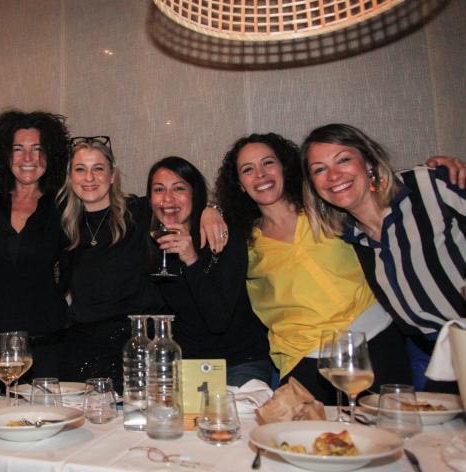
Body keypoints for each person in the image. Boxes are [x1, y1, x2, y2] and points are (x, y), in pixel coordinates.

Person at [216, 133, 411, 404]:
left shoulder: (325, 208)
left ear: (285, 167)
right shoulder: (242, 244)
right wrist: (212, 209)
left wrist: (440, 168)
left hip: (374, 341)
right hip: (304, 360)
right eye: (248, 170)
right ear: (239, 184)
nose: (260, 174)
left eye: (268, 163)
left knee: (392, 426)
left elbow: (374, 187)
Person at [301, 123, 465, 391]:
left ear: (368, 161)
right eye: (319, 169)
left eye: (343, 160)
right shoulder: (349, 235)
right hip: (429, 358)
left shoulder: (428, 185)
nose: (333, 175)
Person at [57, 137, 228, 392]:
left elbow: (179, 201)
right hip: (81, 349)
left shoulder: (138, 211)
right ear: (70, 177)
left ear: (112, 175)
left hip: (135, 347)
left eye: (98, 168)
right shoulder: (64, 224)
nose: (89, 178)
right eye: (80, 169)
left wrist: (212, 210)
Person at [147, 156, 271, 386]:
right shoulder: (150, 240)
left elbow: (217, 320)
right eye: (159, 189)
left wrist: (191, 259)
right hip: (186, 366)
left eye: (179, 188)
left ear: (195, 195)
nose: (168, 199)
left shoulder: (224, 235)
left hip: (238, 362)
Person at [0, 110, 71, 379]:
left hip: (48, 345)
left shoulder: (65, 207)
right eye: (18, 149)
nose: (28, 158)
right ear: (5, 155)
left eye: (37, 149)